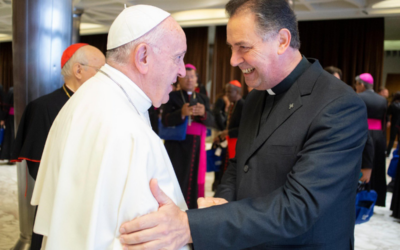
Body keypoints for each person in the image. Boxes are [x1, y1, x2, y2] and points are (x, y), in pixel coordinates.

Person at [119, 0, 368, 249]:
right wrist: (223, 201)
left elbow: (299, 207)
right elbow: (240, 165)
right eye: (231, 48)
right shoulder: (255, 97)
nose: (233, 60)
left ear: (282, 41)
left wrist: (192, 225)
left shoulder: (338, 104)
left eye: (243, 47)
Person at [30, 5, 190, 250]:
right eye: (178, 57)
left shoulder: (82, 100)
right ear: (143, 56)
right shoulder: (127, 129)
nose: (181, 70)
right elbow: (149, 240)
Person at [10, 43, 105, 250]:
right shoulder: (43, 107)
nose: (105, 79)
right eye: (101, 71)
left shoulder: (100, 105)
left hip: (92, 197)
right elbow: (39, 166)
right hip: (59, 198)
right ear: (78, 70)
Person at [162, 64, 214, 209]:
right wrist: (181, 113)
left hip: (196, 145)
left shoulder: (203, 98)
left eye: (192, 76)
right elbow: (165, 120)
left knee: (193, 178)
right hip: (176, 146)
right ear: (179, 79)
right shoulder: (171, 96)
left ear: (196, 79)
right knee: (177, 177)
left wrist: (204, 114)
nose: (189, 80)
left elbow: (212, 121)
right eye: (185, 77)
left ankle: (191, 209)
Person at [356, 73, 388, 206]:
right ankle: (378, 198)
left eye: (356, 84)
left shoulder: (359, 97)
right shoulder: (383, 100)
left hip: (363, 133)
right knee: (378, 166)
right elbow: (385, 121)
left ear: (362, 85)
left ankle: (361, 194)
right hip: (379, 136)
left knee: (364, 164)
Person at [386, 92, 400, 157]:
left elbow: (388, 113)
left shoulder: (392, 105)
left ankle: (388, 153)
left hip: (394, 124)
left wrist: (388, 121)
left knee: (392, 139)